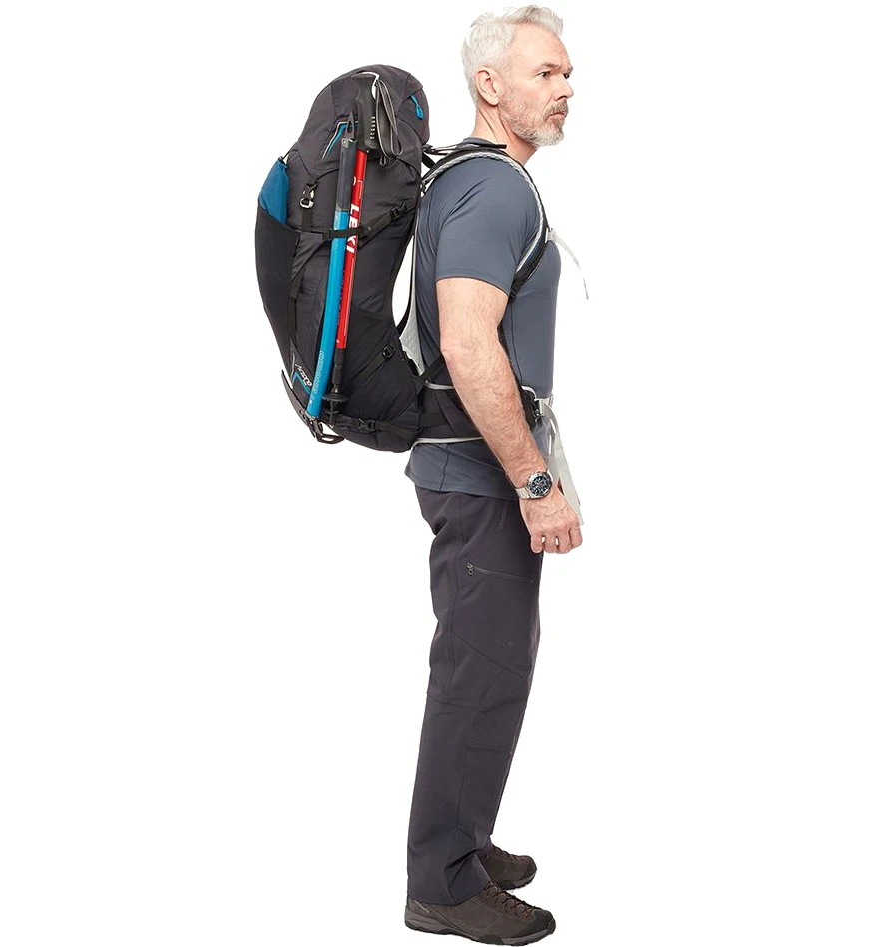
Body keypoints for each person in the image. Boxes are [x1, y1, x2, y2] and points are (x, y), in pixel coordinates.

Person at [403, 7, 583, 944]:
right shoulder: (494, 189)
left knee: (491, 665)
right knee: (478, 674)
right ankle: (441, 881)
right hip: (478, 475)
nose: (565, 89)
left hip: (467, 469)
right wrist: (534, 482)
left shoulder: (465, 180)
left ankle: (462, 841)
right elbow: (468, 344)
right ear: (488, 85)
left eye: (566, 74)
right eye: (544, 73)